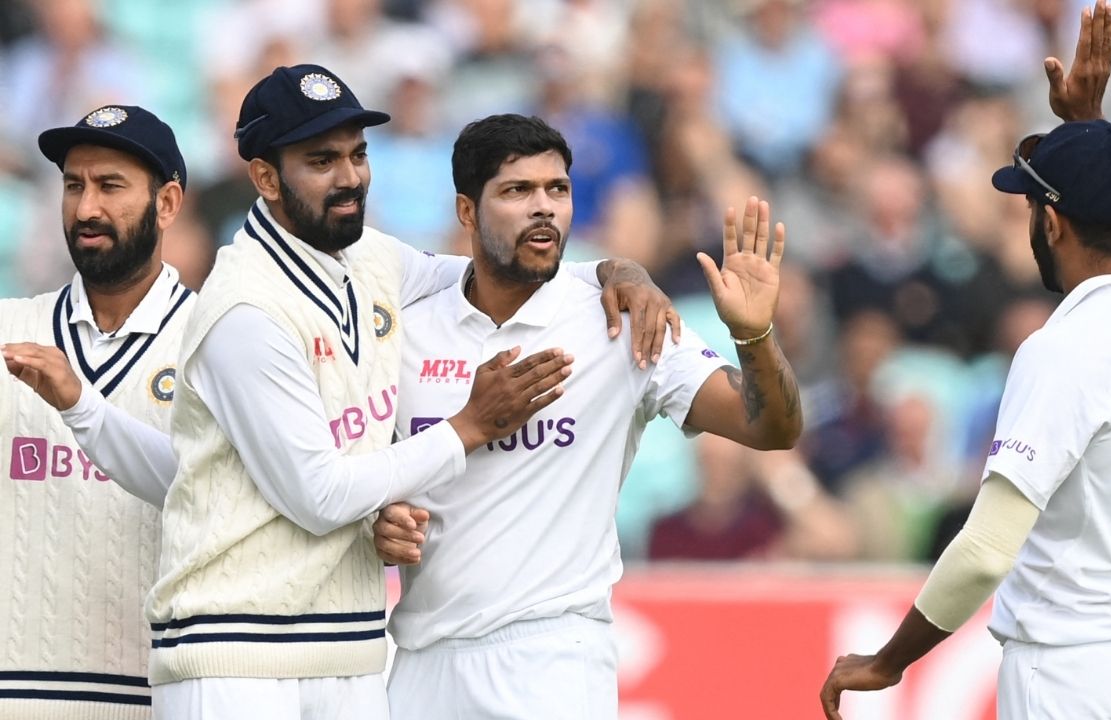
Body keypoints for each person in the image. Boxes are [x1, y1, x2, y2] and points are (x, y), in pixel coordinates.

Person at [110, 65, 675, 720]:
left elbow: (496, 267)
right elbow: (320, 496)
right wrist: (467, 427)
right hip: (237, 653)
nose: (349, 177)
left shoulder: (368, 257)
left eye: (357, 154)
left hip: (346, 650)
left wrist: (617, 270)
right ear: (264, 178)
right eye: (320, 160)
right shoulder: (246, 308)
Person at [820, 3, 1111, 718]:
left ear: (1052, 221)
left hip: (1073, 677)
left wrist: (887, 662)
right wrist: (1090, 131)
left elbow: (985, 548)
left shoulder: (1064, 349)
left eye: (1032, 208)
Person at [371, 113, 803, 719]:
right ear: (467, 212)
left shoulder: (627, 321)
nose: (543, 208)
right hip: (418, 660)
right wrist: (377, 527)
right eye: (517, 191)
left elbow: (771, 428)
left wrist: (754, 336)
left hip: (554, 659)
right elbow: (363, 487)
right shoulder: (408, 331)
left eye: (559, 189)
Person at [0, 105, 190, 717]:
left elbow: (215, 495)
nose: (85, 209)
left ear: (166, 205)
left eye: (110, 186)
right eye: (73, 185)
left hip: (161, 696)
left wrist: (81, 404)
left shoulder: (219, 340)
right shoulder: (9, 328)